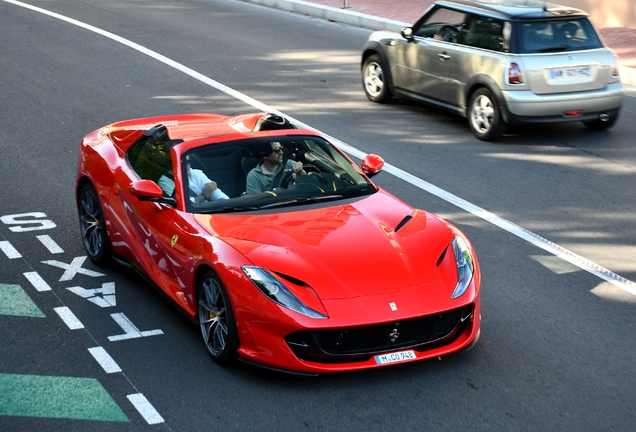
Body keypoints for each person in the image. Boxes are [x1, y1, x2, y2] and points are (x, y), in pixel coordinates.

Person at [158, 156, 229, 202]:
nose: (187, 165)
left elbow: (218, 194)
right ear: (170, 163)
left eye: (188, 161)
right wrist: (204, 195)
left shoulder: (196, 173)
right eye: (182, 162)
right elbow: (182, 205)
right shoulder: (164, 181)